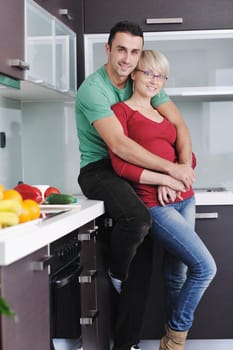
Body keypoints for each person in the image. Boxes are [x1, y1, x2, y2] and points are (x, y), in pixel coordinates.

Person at [75, 20, 195, 350]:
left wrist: (182, 168)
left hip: (139, 169)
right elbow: (120, 147)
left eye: (135, 52)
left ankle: (125, 343)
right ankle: (115, 269)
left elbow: (179, 123)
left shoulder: (141, 80)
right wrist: (169, 171)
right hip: (101, 169)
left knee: (141, 264)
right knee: (138, 220)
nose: (128, 59)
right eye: (122, 50)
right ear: (108, 50)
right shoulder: (93, 90)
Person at [108, 49, 217, 350]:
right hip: (154, 205)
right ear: (133, 74)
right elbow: (122, 165)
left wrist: (181, 173)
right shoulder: (121, 112)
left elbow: (189, 157)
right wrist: (163, 179)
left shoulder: (163, 113)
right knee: (205, 268)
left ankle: (169, 345)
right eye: (148, 72)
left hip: (185, 199)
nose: (155, 80)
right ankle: (175, 338)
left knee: (176, 275)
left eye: (161, 75)